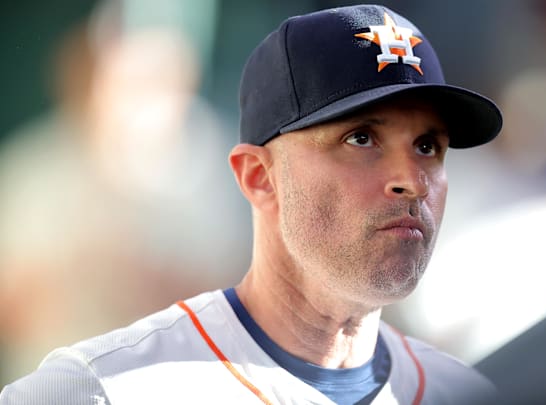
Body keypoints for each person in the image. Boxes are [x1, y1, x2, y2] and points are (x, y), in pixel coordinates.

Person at [0, 5, 502, 404]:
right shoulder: (92, 388)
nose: (410, 181)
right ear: (259, 178)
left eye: (428, 145)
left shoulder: (464, 392)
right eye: (362, 137)